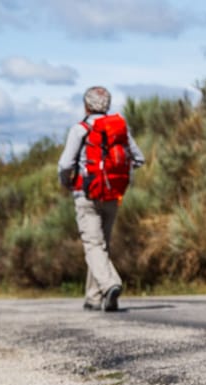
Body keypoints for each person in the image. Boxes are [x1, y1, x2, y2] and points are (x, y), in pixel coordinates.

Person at [57, 85, 145, 312]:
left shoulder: (80, 129)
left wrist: (67, 182)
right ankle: (93, 297)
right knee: (102, 245)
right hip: (113, 194)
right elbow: (139, 158)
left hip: (86, 194)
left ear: (86, 105)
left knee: (93, 245)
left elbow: (65, 164)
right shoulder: (119, 129)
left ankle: (110, 284)